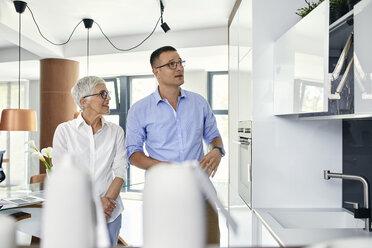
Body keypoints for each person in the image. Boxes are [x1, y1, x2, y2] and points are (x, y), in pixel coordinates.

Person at [126, 46, 225, 244]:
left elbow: (214, 137)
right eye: (172, 64)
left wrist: (216, 150)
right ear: (156, 71)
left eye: (180, 63)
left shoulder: (199, 103)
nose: (179, 68)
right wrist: (167, 168)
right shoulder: (139, 110)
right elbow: (133, 153)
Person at [52, 76, 127, 245]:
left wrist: (105, 205)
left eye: (107, 93)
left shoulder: (116, 131)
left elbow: (121, 170)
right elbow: (62, 176)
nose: (108, 98)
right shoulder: (64, 131)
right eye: (103, 93)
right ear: (83, 101)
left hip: (110, 214)